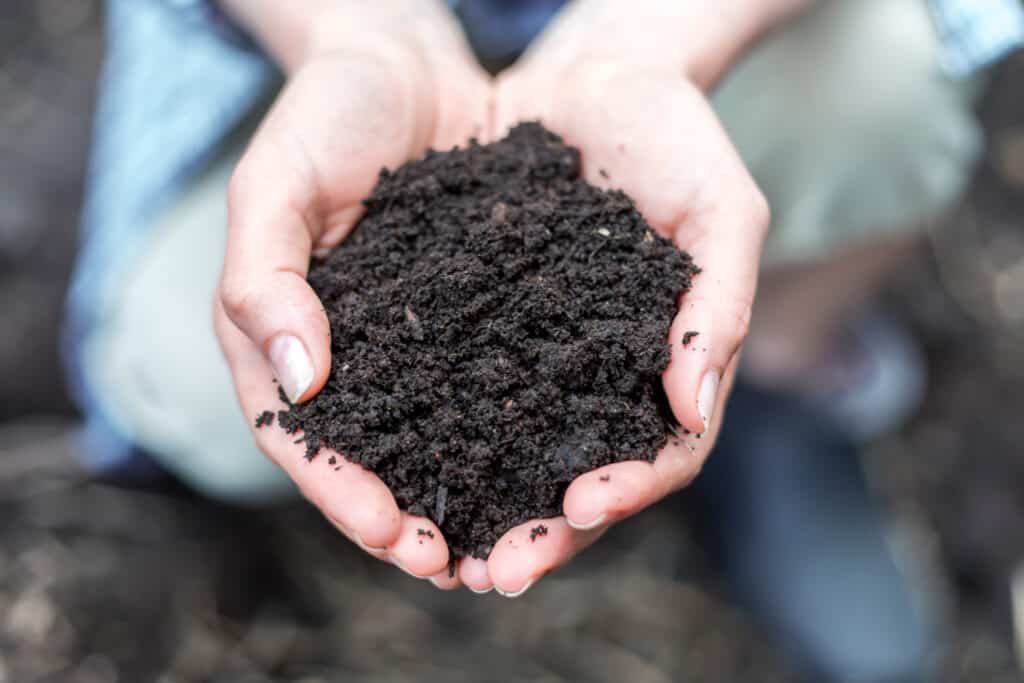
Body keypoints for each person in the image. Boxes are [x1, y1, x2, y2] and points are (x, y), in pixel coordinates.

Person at [65, 0, 1024, 679]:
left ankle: (775, 369)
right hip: (305, 56)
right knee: (192, 372)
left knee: (884, 92)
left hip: (673, 28)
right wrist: (350, 32)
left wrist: (654, 39)